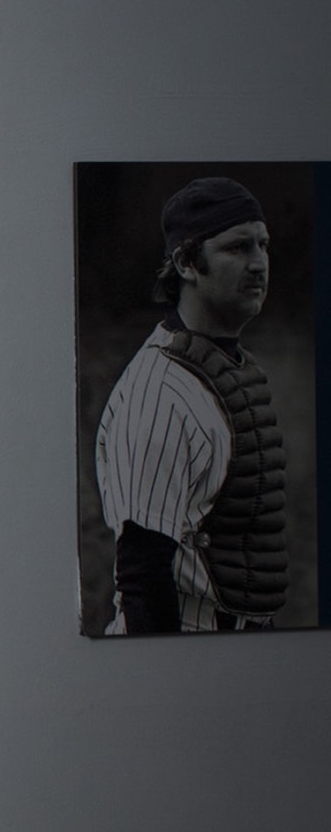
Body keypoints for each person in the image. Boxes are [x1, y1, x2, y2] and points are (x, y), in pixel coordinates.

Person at [94, 176, 288, 633]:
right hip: (185, 644)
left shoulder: (233, 368)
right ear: (186, 262)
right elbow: (142, 577)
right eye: (238, 248)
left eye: (263, 245)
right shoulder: (159, 391)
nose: (259, 263)